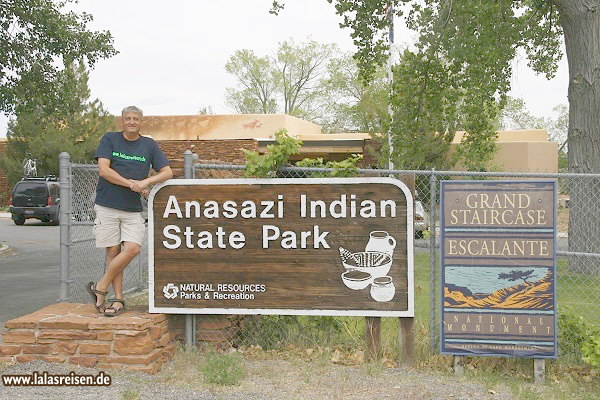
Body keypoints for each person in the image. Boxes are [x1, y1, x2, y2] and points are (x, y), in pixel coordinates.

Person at [87, 106, 173, 317]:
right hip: (107, 205)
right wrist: (131, 184)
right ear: (122, 121)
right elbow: (104, 170)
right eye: (128, 118)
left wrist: (146, 182)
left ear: (141, 122)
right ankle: (118, 299)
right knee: (113, 252)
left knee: (133, 248)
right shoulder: (110, 139)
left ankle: (100, 286)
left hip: (132, 209)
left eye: (135, 118)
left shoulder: (148, 145)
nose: (132, 121)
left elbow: (167, 172)